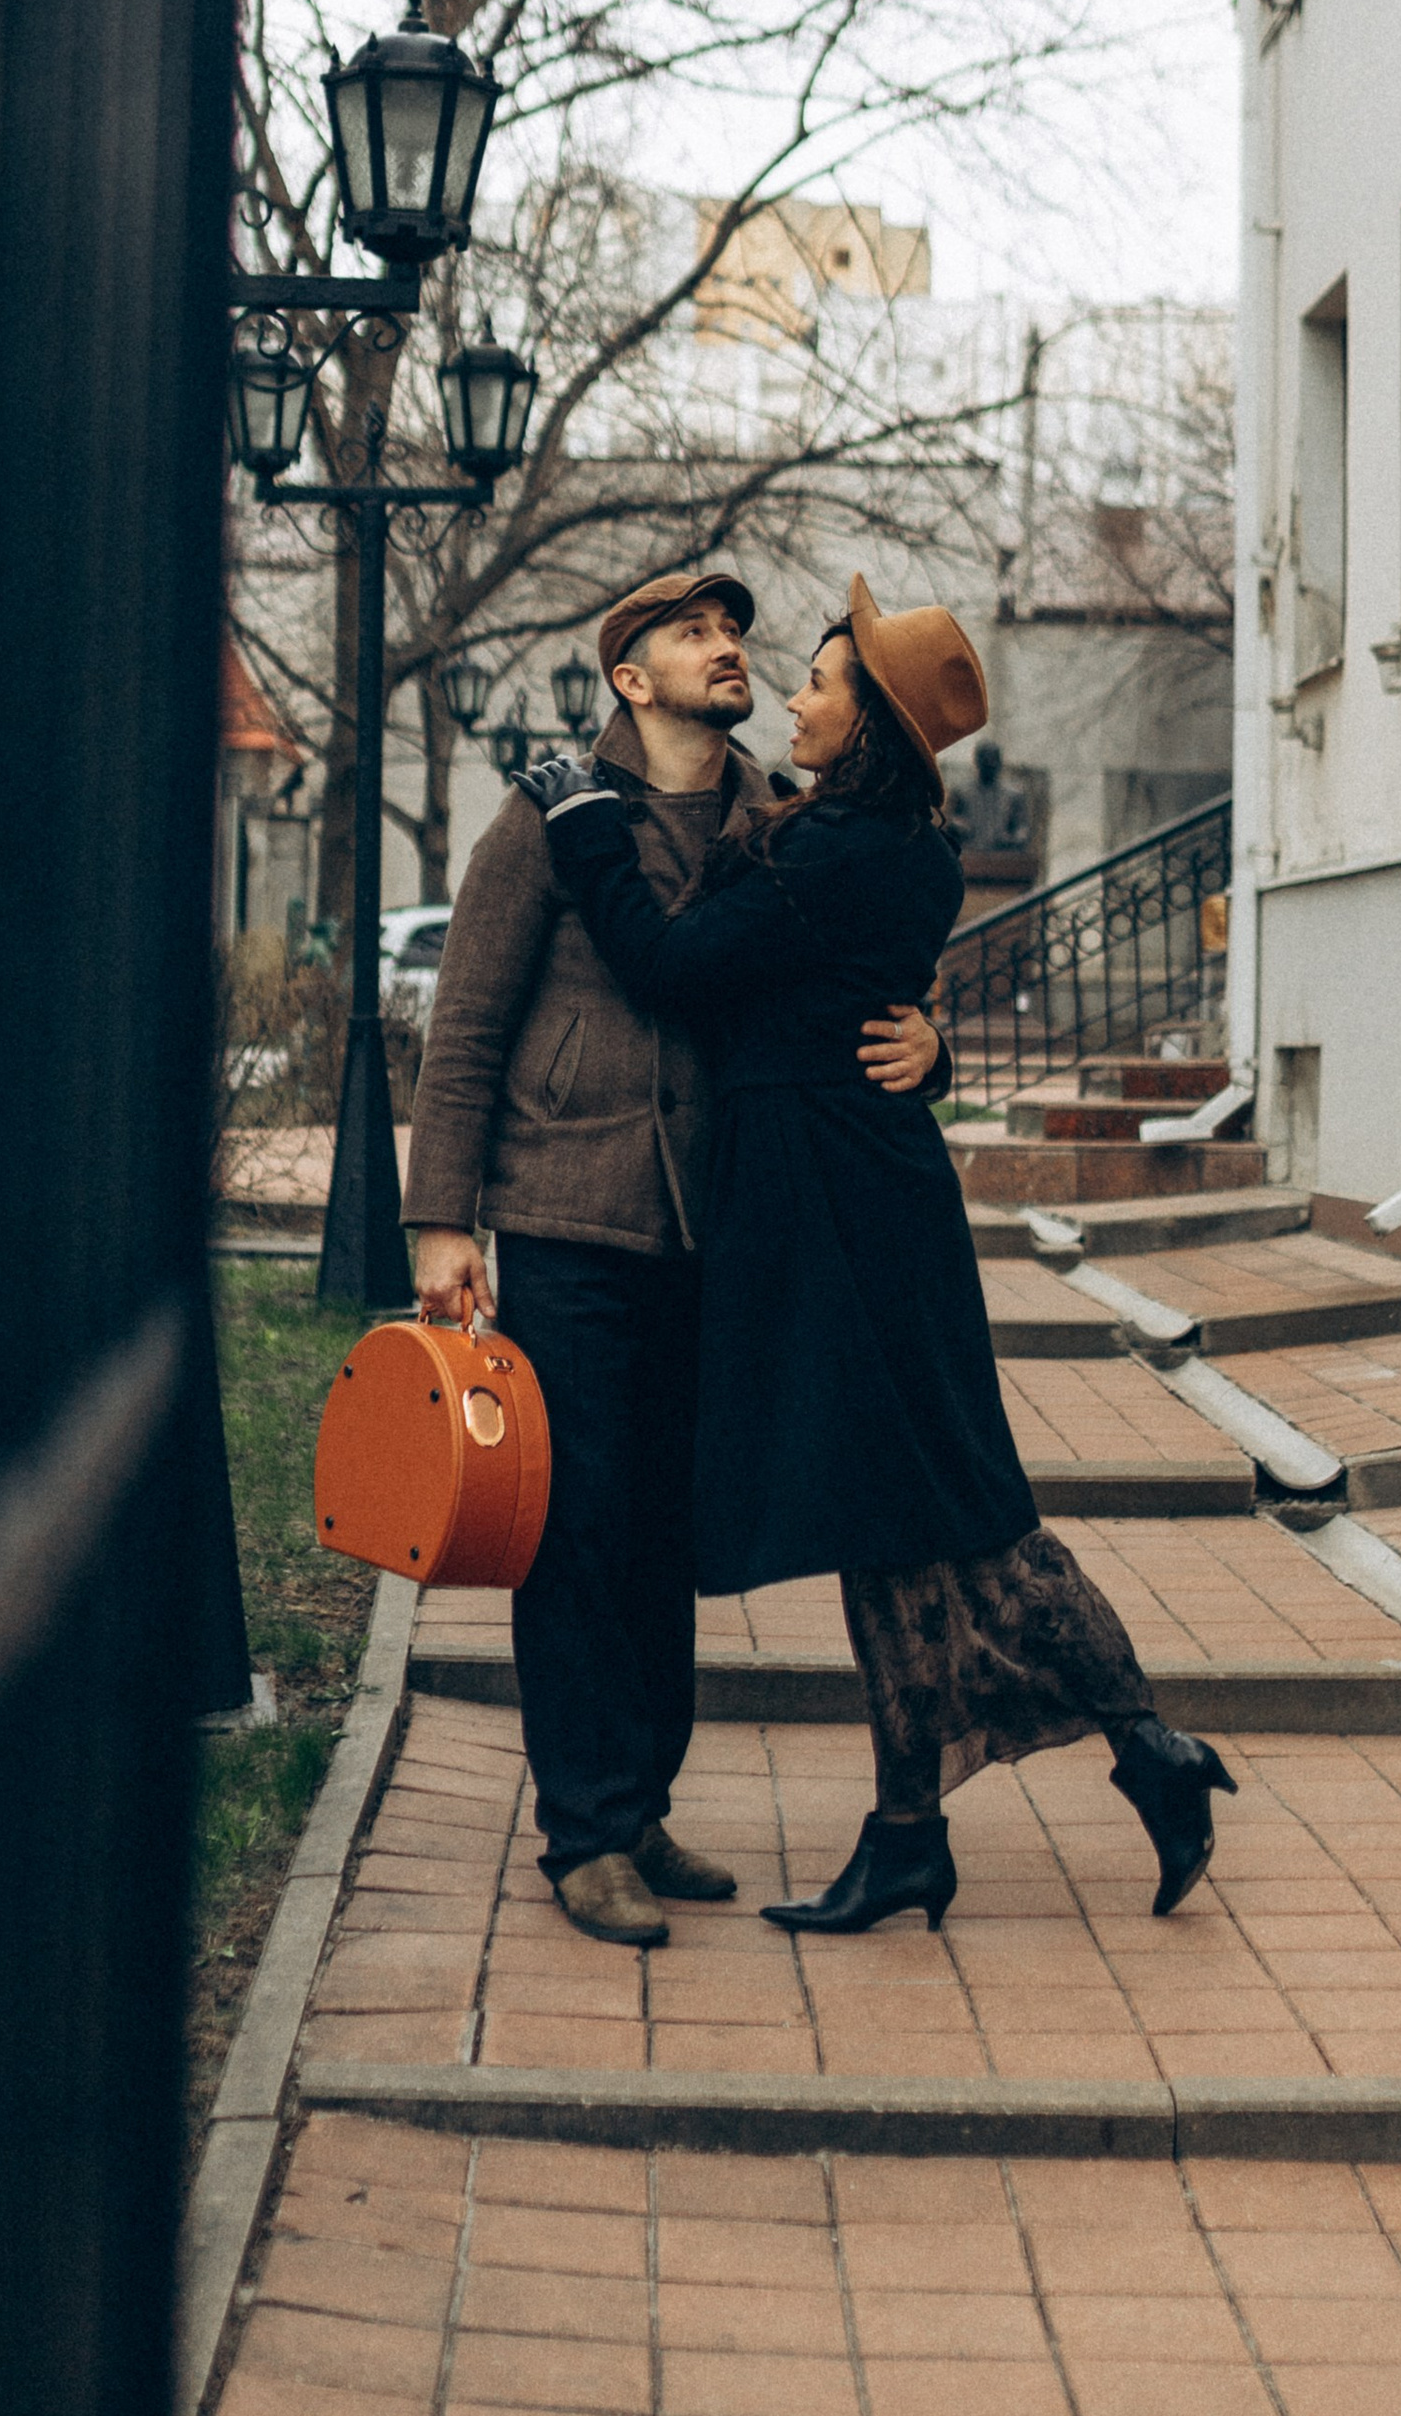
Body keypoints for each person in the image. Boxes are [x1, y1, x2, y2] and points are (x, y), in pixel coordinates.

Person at [520, 575, 1235, 1935]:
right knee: (890, 1525)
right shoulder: (876, 840)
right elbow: (839, 997)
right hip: (842, 1199)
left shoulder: (837, 850)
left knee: (958, 1517)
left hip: (849, 1222)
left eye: (823, 682)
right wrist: (935, 1045)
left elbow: (672, 967)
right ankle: (909, 1830)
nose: (794, 691)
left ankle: (1146, 1745)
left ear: (870, 726)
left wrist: (586, 823)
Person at [404, 566, 948, 1946]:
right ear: (631, 679)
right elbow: (465, 1023)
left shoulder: (782, 820)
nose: (728, 645)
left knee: (665, 1529)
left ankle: (639, 1800)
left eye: (732, 629)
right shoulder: (549, 816)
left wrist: (933, 1045)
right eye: (693, 631)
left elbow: (861, 979)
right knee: (578, 1528)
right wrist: (440, 1220)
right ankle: (583, 1832)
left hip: (726, 1225)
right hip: (570, 1210)